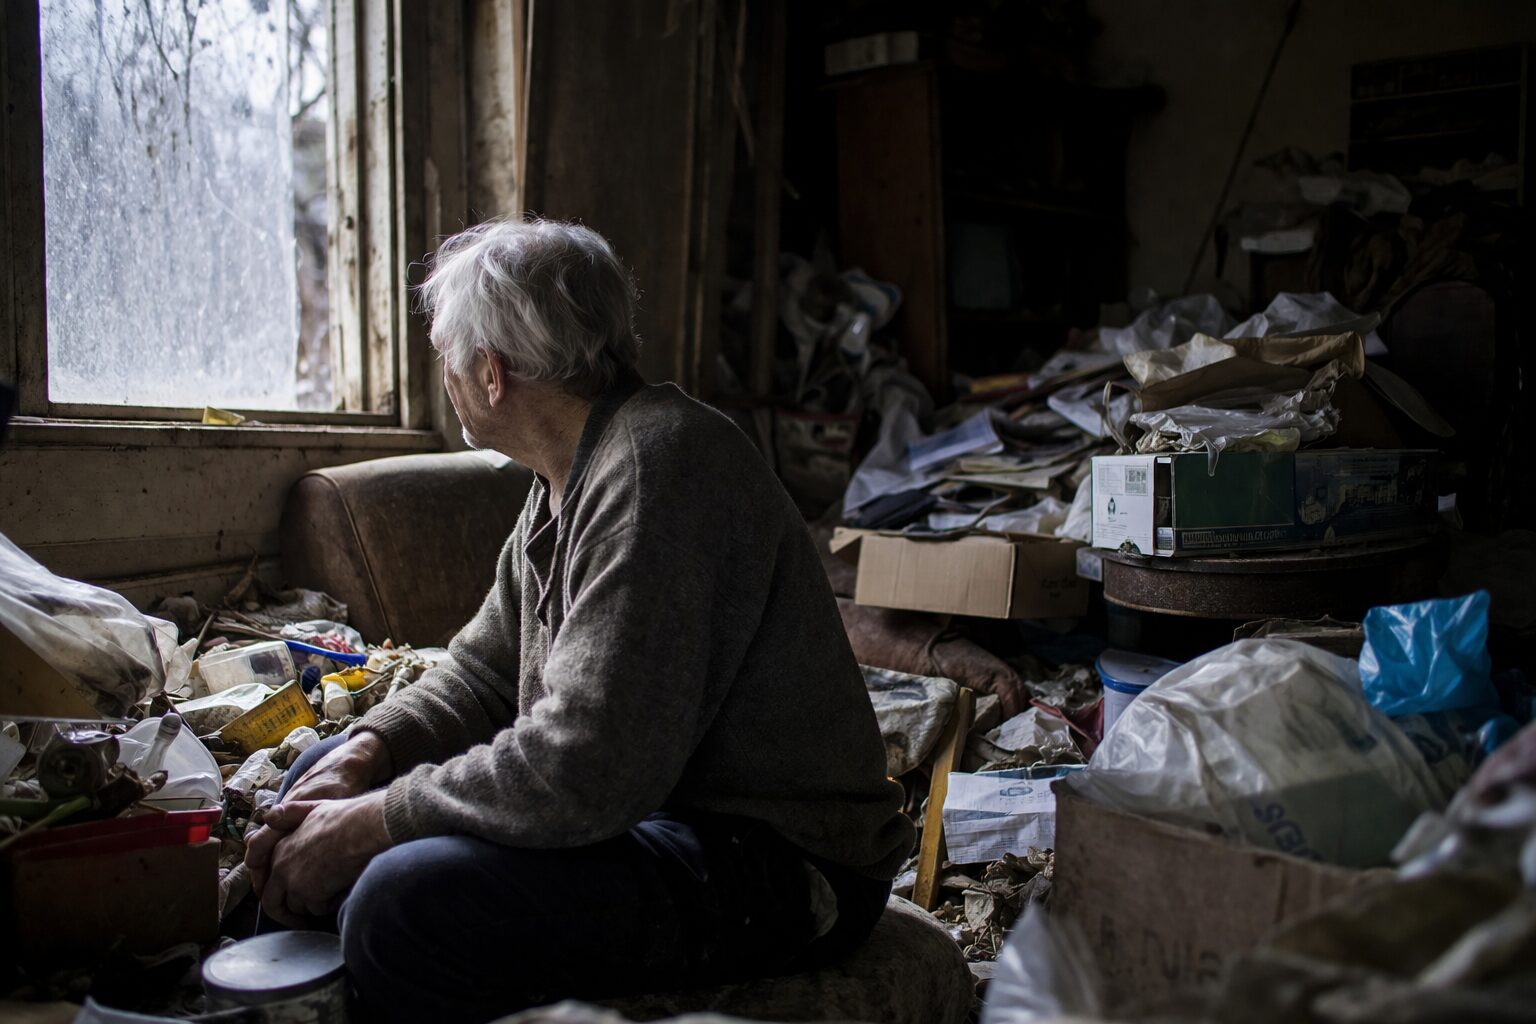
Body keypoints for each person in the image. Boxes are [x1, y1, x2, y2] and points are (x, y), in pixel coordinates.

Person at [245, 219, 912, 1022]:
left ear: (490, 374)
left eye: (448, 358)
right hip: (656, 808)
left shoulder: (658, 467)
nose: (446, 376)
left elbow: (585, 768)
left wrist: (376, 822)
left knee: (400, 900)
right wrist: (370, 749)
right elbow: (484, 672)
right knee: (319, 772)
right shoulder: (566, 474)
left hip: (780, 862)